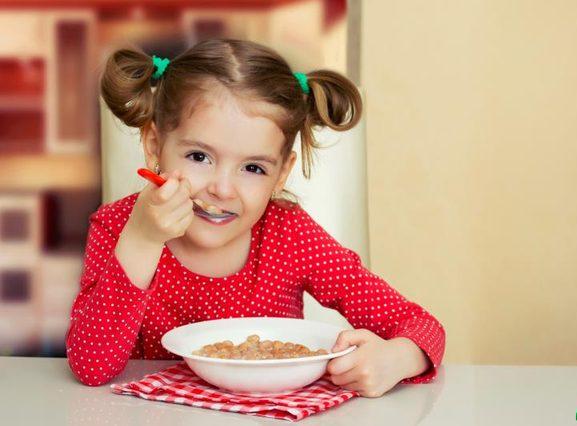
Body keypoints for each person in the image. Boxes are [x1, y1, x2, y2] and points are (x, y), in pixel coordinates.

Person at [66, 38, 445, 397]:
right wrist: (142, 239)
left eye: (253, 168)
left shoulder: (290, 235)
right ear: (154, 145)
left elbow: (422, 326)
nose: (222, 189)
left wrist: (397, 358)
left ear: (281, 174)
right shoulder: (118, 226)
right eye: (199, 157)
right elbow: (91, 366)